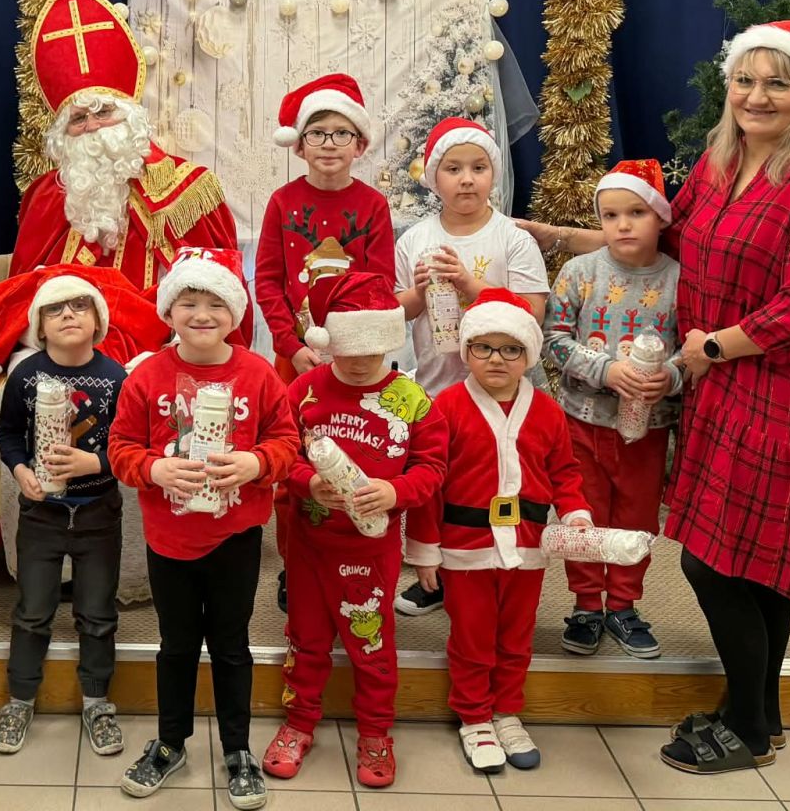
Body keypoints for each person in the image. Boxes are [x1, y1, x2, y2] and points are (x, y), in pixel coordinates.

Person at [522, 18, 790, 775]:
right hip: (718, 382)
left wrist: (706, 349)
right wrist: (559, 236)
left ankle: (745, 726)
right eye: (746, 80)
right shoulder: (718, 162)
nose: (757, 96)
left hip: (782, 386)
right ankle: (760, 715)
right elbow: (664, 240)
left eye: (778, 83)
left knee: (718, 563)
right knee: (750, 559)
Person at [107, 247, 298, 810]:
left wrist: (256, 462)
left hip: (236, 536)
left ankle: (237, 748)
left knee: (232, 644)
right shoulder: (148, 376)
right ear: (169, 311)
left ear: (234, 312)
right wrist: (154, 469)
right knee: (177, 646)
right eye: (188, 302)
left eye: (215, 303)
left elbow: (287, 442)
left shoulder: (258, 374)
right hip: (169, 540)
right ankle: (171, 742)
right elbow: (120, 448)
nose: (202, 314)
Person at [265, 272, 445, 789]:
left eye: (371, 349)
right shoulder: (304, 390)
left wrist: (395, 492)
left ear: (389, 339)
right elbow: (281, 452)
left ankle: (376, 733)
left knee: (372, 646)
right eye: (347, 349)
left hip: (372, 553)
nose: (359, 361)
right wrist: (306, 481)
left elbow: (433, 468)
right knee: (305, 640)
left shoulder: (411, 400)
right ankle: (299, 723)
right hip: (308, 547)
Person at [405, 289, 591, 775]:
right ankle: (474, 717)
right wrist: (425, 551)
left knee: (516, 636)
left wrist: (575, 514)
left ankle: (507, 711)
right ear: (466, 350)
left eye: (511, 349)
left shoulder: (547, 412)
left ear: (528, 355)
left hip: (527, 548)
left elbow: (565, 473)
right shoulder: (445, 407)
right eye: (483, 347)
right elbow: (428, 483)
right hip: (464, 549)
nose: (496, 359)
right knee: (472, 637)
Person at [9, 0, 243, 332]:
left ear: (130, 117)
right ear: (63, 133)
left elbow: (223, 294)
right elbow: (22, 295)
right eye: (78, 119)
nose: (92, 126)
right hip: (69, 345)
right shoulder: (46, 196)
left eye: (104, 112)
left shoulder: (191, 191)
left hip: (165, 341)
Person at [392, 117, 548, 618]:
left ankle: (495, 565)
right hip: (438, 386)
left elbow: (532, 313)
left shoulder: (512, 238)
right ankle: (435, 573)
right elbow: (398, 313)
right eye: (453, 169)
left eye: (478, 168)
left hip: (501, 390)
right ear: (433, 177)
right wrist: (419, 291)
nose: (466, 179)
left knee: (492, 479)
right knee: (439, 482)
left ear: (493, 174)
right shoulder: (415, 239)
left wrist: (469, 285)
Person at [542, 160, 683, 660]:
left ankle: (623, 604)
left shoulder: (679, 280)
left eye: (636, 213)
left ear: (660, 217)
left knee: (636, 518)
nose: (623, 225)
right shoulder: (581, 273)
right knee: (584, 514)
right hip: (581, 422)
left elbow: (689, 351)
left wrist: (671, 377)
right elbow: (553, 340)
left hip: (648, 430)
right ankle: (586, 605)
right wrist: (604, 370)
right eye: (610, 215)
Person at [0, 267, 127, 757]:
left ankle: (97, 701)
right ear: (40, 327)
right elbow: (8, 433)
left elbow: (131, 444)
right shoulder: (26, 375)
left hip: (98, 514)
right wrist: (19, 469)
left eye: (79, 306)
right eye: (55, 309)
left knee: (98, 613)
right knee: (32, 611)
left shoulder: (116, 377)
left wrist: (98, 462)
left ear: (98, 321)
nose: (68, 315)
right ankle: (20, 699)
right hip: (42, 515)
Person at [257, 74, 397, 380]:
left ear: (360, 145)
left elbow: (381, 282)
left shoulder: (373, 205)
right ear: (299, 146)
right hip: (295, 352)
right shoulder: (282, 202)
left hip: (358, 349)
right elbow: (267, 282)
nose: (329, 144)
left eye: (341, 133)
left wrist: (356, 340)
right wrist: (290, 345)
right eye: (317, 134)